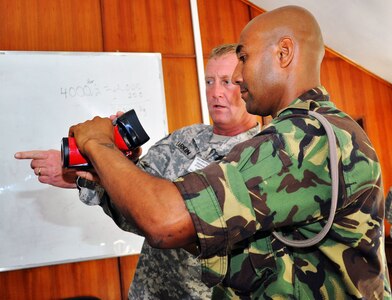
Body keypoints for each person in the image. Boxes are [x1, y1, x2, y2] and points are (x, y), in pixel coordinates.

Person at [57, 5, 391, 299]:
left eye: (244, 58)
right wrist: (105, 173)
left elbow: (165, 221)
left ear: (283, 53)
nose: (238, 77)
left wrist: (98, 144)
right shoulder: (306, 132)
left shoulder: (304, 138)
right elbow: (248, 254)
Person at [15, 44, 260, 299]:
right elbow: (131, 202)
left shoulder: (256, 156)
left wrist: (105, 162)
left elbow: (160, 219)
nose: (215, 92)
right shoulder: (187, 136)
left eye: (227, 81)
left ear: (246, 84)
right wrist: (86, 166)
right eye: (209, 81)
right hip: (147, 292)